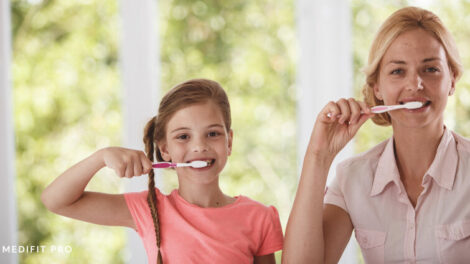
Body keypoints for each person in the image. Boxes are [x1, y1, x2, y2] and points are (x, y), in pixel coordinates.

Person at [283, 6, 470, 263]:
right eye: (398, 71)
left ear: (452, 80)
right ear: (377, 87)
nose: (415, 84)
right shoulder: (353, 179)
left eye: (430, 69)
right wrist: (319, 156)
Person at [41, 79, 283, 264]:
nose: (199, 146)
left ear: (229, 142)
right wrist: (100, 157)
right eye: (183, 137)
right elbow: (56, 201)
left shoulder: (259, 217)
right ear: (165, 150)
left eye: (213, 133)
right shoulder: (149, 209)